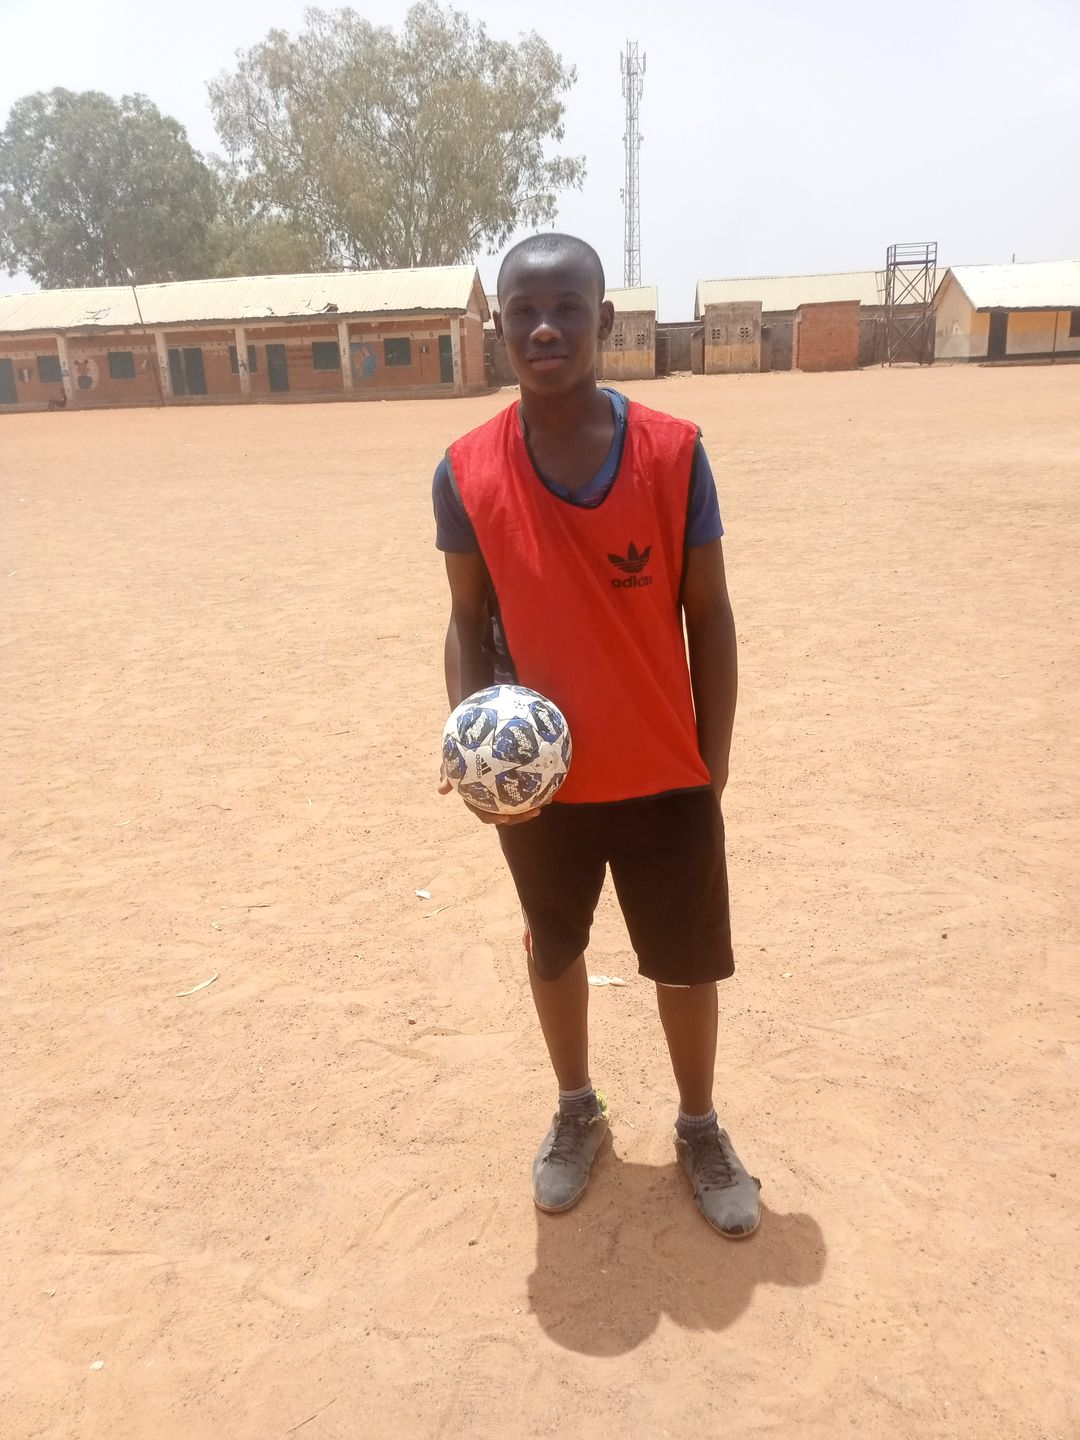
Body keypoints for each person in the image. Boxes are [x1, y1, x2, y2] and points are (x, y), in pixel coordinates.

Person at [433, 233, 760, 1238]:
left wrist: (712, 768)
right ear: (498, 329)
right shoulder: (465, 471)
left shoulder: (672, 453)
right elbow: (465, 619)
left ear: (604, 321)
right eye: (523, 311)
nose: (545, 328)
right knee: (554, 949)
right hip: (540, 786)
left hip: (665, 773)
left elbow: (709, 615)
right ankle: (577, 1110)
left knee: (687, 963)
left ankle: (699, 1125)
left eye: (568, 308)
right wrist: (473, 751)